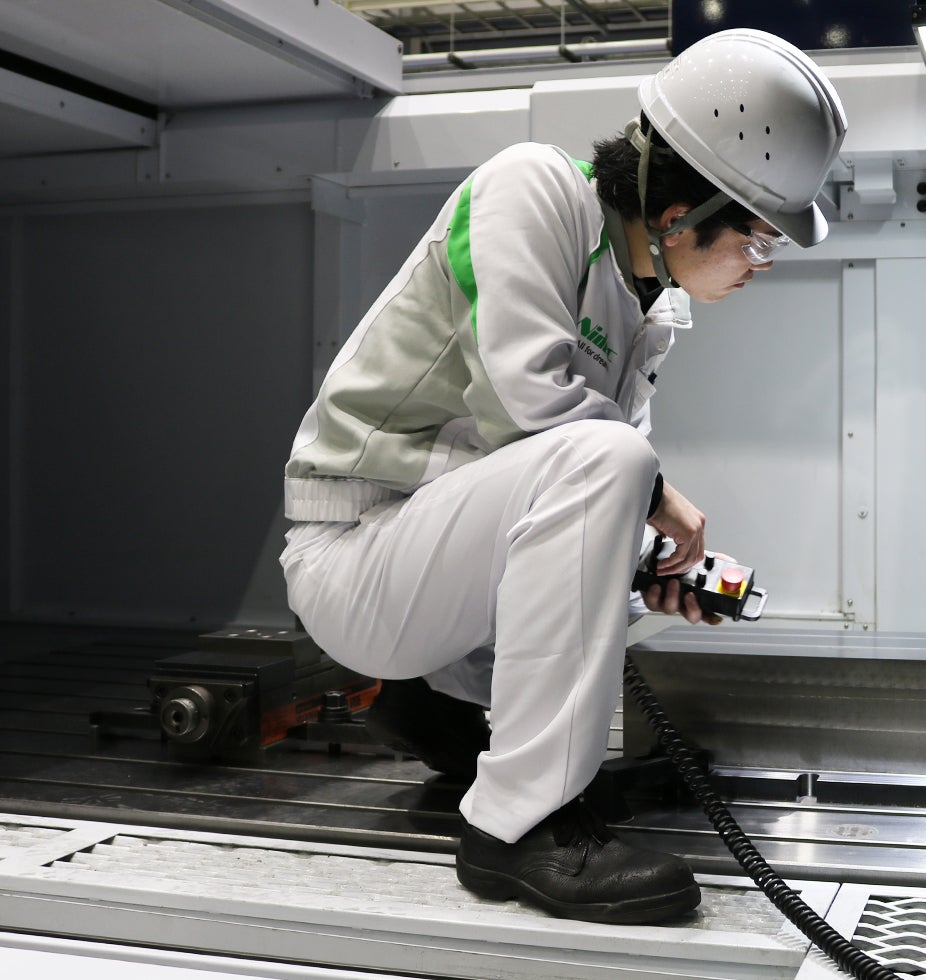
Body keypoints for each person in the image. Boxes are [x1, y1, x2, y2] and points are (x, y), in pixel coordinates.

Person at [279, 28, 846, 925]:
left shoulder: (645, 315)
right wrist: (651, 495)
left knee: (619, 509)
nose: (758, 267)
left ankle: (432, 713)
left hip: (431, 574)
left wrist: (648, 568)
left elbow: (554, 499)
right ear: (679, 215)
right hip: (355, 552)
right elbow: (531, 404)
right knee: (613, 460)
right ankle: (517, 825)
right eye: (758, 240)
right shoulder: (532, 187)